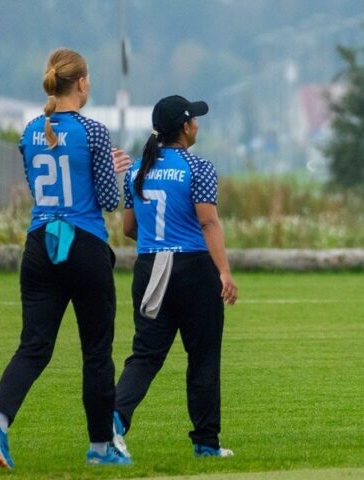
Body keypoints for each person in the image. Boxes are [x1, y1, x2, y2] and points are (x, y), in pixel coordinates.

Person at [0, 48, 133, 468]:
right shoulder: (94, 132)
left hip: (41, 243)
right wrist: (111, 170)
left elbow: (37, 185)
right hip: (83, 243)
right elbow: (107, 200)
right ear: (80, 82)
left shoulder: (30, 131)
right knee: (96, 352)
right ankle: (101, 448)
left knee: (33, 347)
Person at [112, 95, 238, 459]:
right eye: (194, 120)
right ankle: (205, 442)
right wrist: (224, 272)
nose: (197, 124)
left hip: (151, 268)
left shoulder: (137, 169)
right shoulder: (198, 168)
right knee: (202, 357)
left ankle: (115, 418)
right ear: (184, 127)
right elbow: (208, 221)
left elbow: (129, 228)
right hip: (194, 270)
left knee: (146, 355)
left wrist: (159, 239)